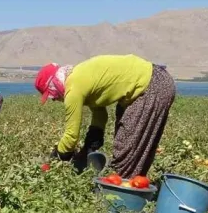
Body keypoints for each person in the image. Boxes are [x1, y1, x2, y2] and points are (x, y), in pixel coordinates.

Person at [35, 54, 176, 178]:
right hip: (155, 81)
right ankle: (133, 187)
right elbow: (99, 113)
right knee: (132, 146)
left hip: (151, 86)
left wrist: (57, 156)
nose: (53, 99)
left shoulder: (73, 88)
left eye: (50, 94)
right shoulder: (79, 76)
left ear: (54, 84)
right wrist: (92, 142)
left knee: (126, 150)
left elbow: (71, 136)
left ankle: (120, 198)